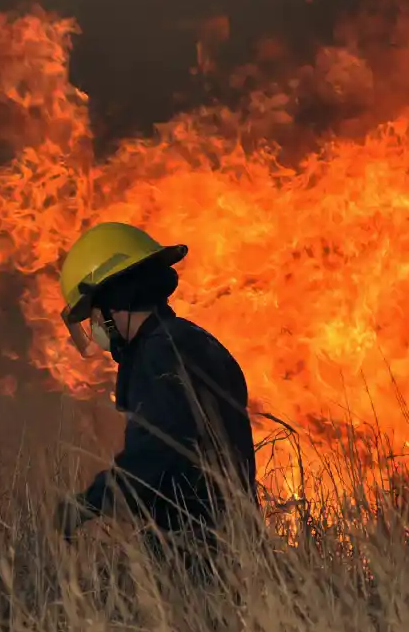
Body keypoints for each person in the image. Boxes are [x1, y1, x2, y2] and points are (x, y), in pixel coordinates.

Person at [53, 221, 259, 573]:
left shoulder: (159, 353)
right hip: (232, 546)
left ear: (115, 301)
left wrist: (90, 503)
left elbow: (160, 450)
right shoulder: (193, 341)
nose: (94, 328)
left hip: (196, 555)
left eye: (94, 314)